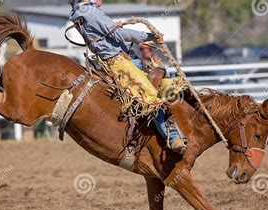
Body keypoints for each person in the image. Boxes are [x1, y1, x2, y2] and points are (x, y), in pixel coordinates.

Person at [69, 0, 187, 154]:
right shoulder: (90, 12)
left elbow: (109, 33)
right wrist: (148, 36)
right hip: (119, 62)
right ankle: (172, 137)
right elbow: (119, 34)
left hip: (115, 60)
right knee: (150, 96)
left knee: (160, 82)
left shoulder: (78, 13)